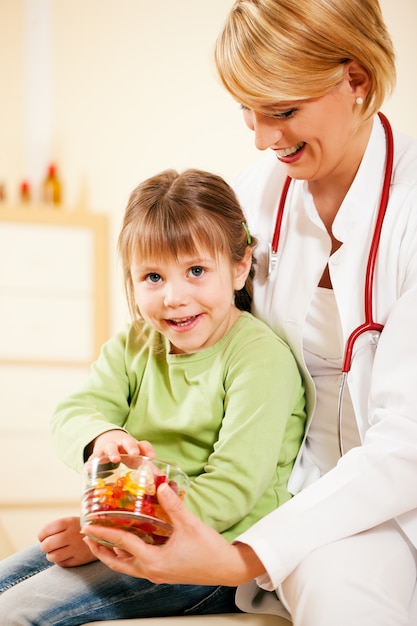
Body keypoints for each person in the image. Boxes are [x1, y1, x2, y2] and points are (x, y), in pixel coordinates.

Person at [78, 1, 417, 625]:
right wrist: (126, 510)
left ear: (357, 80)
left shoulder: (411, 212)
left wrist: (238, 556)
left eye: (283, 111)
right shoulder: (260, 193)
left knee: (341, 594)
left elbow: (407, 446)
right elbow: (204, 351)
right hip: (279, 493)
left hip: (399, 505)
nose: (263, 138)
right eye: (248, 111)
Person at [0, 168, 306, 625]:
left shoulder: (259, 360)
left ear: (239, 267)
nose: (174, 297)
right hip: (135, 529)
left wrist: (108, 533)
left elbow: (230, 493)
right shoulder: (137, 342)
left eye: (197, 271)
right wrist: (102, 434)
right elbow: (74, 411)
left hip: (210, 557)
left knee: (15, 611)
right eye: (153, 276)